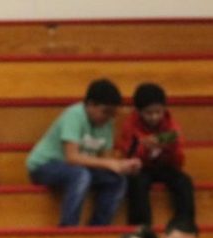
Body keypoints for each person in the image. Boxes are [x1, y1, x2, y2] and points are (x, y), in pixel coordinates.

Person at [26, 79, 141, 227]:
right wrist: (111, 163)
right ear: (90, 105)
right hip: (45, 166)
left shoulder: (106, 124)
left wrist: (122, 166)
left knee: (116, 180)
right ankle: (68, 228)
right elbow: (71, 157)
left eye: (112, 114)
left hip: (77, 168)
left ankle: (98, 227)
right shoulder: (75, 115)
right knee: (80, 175)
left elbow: (104, 159)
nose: (108, 117)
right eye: (105, 112)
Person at [116, 82, 195, 226]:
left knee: (184, 181)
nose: (154, 117)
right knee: (137, 182)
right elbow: (129, 154)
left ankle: (185, 224)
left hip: (164, 165)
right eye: (149, 113)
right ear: (139, 112)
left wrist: (169, 147)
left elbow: (179, 158)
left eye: (158, 112)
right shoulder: (130, 125)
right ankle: (141, 227)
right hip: (140, 167)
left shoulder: (170, 124)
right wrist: (145, 147)